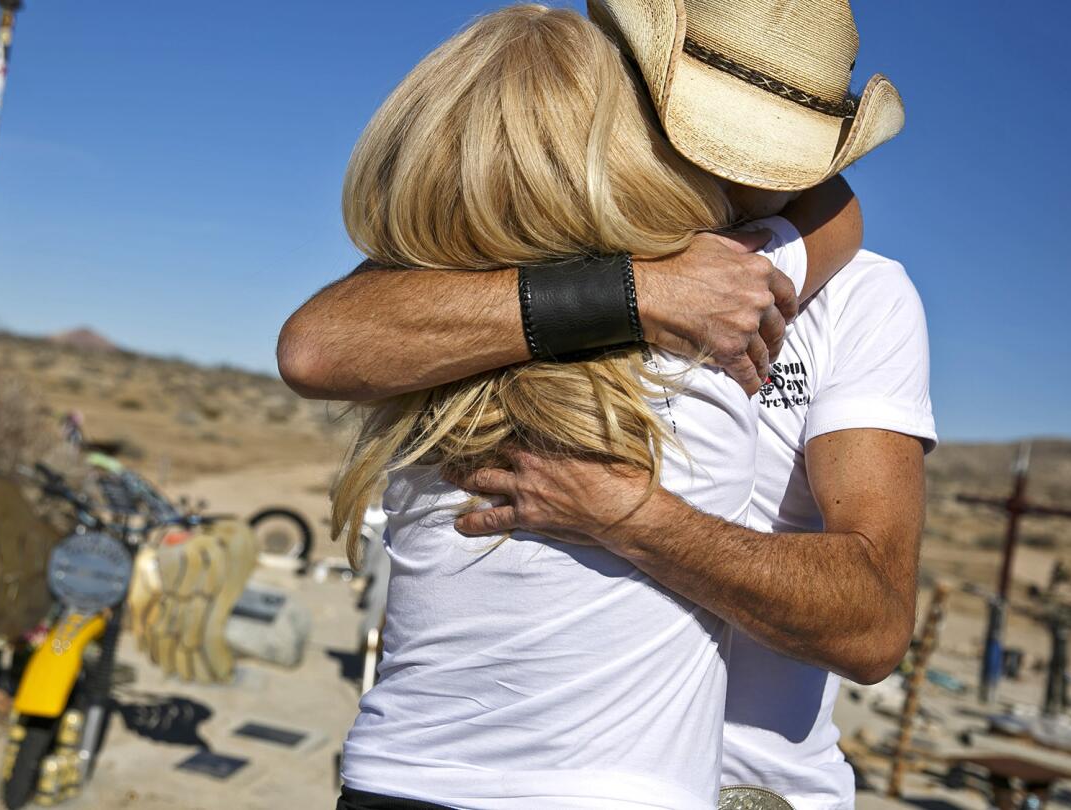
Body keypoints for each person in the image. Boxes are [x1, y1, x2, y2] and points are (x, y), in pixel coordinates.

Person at [284, 2, 930, 808]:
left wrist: (627, 515)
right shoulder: (579, 262)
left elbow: (872, 622)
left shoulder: (843, 289)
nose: (744, 172)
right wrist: (638, 290)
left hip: (747, 787)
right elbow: (319, 344)